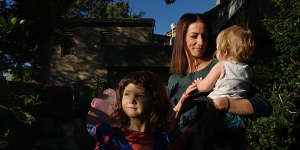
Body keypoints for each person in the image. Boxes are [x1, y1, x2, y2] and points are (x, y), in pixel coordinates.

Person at [167, 13, 272, 149]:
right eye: (194, 36)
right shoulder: (174, 79)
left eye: (204, 36)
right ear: (182, 38)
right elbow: (166, 121)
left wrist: (225, 103)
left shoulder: (223, 65)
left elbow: (263, 106)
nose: (201, 42)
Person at [89, 71, 171, 150]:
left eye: (139, 95)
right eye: (127, 94)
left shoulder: (162, 140)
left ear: (154, 100)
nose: (131, 100)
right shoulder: (109, 135)